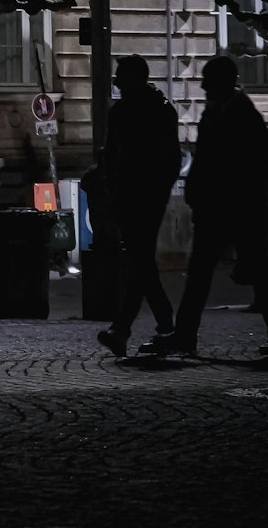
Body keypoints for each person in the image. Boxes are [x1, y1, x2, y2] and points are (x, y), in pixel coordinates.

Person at [152, 55, 268, 360]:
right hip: (221, 208)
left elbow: (244, 167)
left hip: (234, 208)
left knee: (233, 274)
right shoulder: (223, 112)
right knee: (207, 275)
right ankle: (188, 335)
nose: (202, 86)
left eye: (208, 80)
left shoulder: (239, 115)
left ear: (222, 82)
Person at [97, 55, 182, 358]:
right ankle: (160, 324)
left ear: (135, 78)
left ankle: (128, 328)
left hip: (142, 196)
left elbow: (169, 158)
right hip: (137, 196)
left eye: (121, 76)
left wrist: (122, 188)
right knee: (140, 262)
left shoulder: (146, 112)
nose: (117, 82)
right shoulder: (151, 110)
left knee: (140, 261)